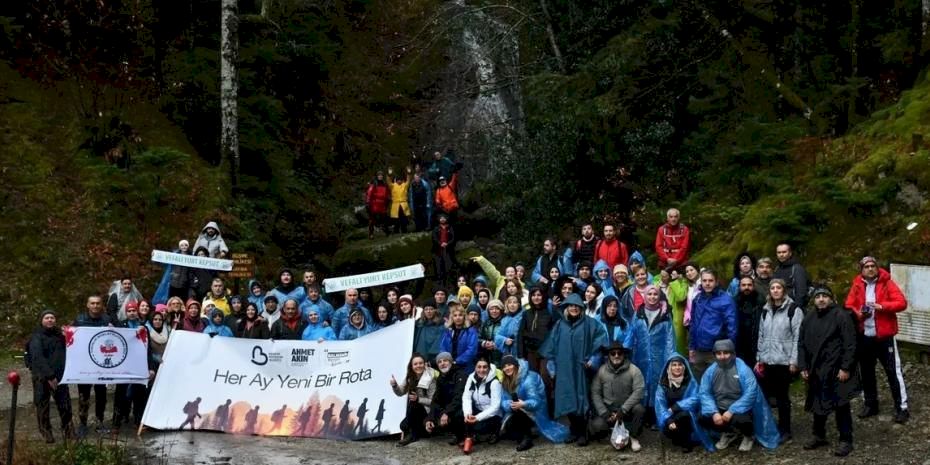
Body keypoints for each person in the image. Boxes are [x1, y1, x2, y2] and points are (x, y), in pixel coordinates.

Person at [843, 256, 909, 423]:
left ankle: (902, 407)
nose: (870, 269)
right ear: (862, 270)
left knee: (893, 371)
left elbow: (901, 303)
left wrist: (883, 306)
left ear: (877, 268)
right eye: (867, 267)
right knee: (866, 372)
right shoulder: (857, 284)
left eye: (873, 266)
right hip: (865, 336)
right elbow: (848, 305)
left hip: (885, 336)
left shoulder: (886, 282)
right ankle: (871, 404)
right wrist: (859, 313)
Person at [799, 286, 859, 457]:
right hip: (815, 369)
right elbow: (801, 343)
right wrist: (803, 366)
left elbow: (850, 343)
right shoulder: (809, 317)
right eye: (818, 296)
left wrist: (846, 367)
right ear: (814, 299)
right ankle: (819, 435)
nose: (821, 299)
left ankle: (846, 439)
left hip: (836, 368)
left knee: (841, 404)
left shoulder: (841, 316)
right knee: (818, 402)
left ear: (831, 299)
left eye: (825, 296)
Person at [541, 293, 608, 446]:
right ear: (566, 308)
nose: (573, 308)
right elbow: (551, 345)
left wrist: (592, 359)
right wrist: (552, 366)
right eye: (571, 306)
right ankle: (574, 430)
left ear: (581, 308)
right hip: (564, 369)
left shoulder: (590, 324)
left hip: (582, 369)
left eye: (576, 306)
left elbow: (600, 340)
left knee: (582, 399)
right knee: (567, 399)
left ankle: (583, 432)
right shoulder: (560, 325)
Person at [698, 339, 779, 452]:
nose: (722, 356)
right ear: (714, 354)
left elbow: (751, 393)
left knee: (742, 420)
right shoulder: (710, 372)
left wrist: (731, 410)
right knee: (703, 417)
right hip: (720, 407)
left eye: (726, 352)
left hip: (741, 409)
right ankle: (728, 433)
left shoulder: (743, 370)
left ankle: (749, 436)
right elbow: (704, 393)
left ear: (733, 353)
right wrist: (714, 412)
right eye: (719, 353)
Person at [756, 279, 802, 442]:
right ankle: (769, 427)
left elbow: (798, 337)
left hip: (784, 361)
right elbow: (761, 336)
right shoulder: (765, 310)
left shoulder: (793, 309)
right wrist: (759, 358)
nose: (775, 290)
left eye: (778, 288)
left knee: (782, 398)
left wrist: (794, 361)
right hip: (767, 360)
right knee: (767, 396)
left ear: (784, 290)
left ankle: (785, 430)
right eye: (773, 288)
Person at [499, 356, 569, 451]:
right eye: (504, 366)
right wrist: (510, 404)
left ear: (515, 365)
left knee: (517, 419)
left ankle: (527, 439)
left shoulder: (528, 379)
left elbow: (536, 402)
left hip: (534, 411)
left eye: (509, 365)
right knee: (511, 427)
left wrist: (523, 404)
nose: (507, 368)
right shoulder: (506, 381)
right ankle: (525, 434)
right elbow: (503, 400)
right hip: (517, 409)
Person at [627, 286, 676, 418]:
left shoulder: (665, 315)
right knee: (641, 384)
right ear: (645, 296)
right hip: (641, 356)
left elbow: (670, 339)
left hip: (659, 357)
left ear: (659, 296)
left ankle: (656, 413)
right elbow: (631, 334)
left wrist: (670, 359)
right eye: (649, 294)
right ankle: (643, 413)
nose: (652, 297)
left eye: (655, 294)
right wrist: (626, 351)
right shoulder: (639, 313)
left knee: (657, 384)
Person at [589, 342, 645, 452]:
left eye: (619, 353)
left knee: (640, 409)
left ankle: (633, 437)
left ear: (624, 355)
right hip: (609, 410)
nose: (616, 356)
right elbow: (595, 393)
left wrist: (623, 410)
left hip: (627, 410)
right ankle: (615, 434)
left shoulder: (634, 370)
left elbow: (639, 391)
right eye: (613, 353)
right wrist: (604, 412)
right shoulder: (601, 370)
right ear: (608, 356)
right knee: (597, 425)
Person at [29, 310, 74, 443]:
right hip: (42, 377)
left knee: (65, 404)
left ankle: (68, 430)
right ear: (42, 320)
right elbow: (38, 357)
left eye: (52, 318)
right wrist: (49, 376)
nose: (50, 320)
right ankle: (46, 432)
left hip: (60, 376)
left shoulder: (60, 335)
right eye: (47, 318)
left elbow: (72, 346)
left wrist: (69, 334)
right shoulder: (36, 337)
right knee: (42, 406)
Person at [655, 354, 714, 452]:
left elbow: (696, 398)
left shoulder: (690, 382)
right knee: (672, 429)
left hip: (688, 418)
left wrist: (677, 406)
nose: (677, 367)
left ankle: (686, 442)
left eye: (680, 365)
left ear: (684, 367)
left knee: (685, 415)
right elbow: (660, 406)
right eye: (674, 365)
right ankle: (678, 437)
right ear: (669, 367)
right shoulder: (663, 385)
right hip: (669, 419)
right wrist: (668, 419)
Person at [73, 295, 112, 435]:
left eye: (98, 303)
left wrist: (114, 329)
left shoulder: (107, 319)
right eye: (92, 303)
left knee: (101, 395)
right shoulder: (80, 319)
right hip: (84, 365)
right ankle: (82, 424)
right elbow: (72, 339)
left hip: (101, 365)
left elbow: (119, 336)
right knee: (84, 395)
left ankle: (99, 422)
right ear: (88, 305)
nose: (95, 306)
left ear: (102, 305)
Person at [688, 269, 737, 380]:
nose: (707, 283)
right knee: (699, 382)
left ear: (716, 282)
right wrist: (691, 346)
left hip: (717, 350)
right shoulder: (698, 298)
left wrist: (729, 348)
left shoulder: (726, 299)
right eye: (704, 280)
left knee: (717, 381)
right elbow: (693, 323)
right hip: (699, 349)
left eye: (710, 280)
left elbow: (732, 326)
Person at [391, 353, 438, 446]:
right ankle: (418, 432)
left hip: (428, 411)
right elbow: (400, 392)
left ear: (424, 364)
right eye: (415, 364)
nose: (418, 366)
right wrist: (395, 385)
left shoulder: (431, 377)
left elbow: (433, 401)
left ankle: (413, 436)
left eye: (420, 363)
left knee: (413, 403)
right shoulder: (410, 377)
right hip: (415, 412)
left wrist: (418, 399)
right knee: (403, 426)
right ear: (411, 366)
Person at [460, 358, 502, 454]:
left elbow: (495, 407)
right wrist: (468, 413)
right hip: (478, 410)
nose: (481, 370)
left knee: (481, 427)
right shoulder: (471, 378)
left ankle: (494, 433)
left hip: (493, 415)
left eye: (484, 367)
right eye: (479, 367)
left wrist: (477, 418)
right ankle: (469, 438)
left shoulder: (494, 382)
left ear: (488, 368)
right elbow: (466, 397)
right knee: (463, 415)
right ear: (475, 367)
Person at [427, 352, 467, 446]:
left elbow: (459, 397)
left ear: (451, 362)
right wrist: (430, 419)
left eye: (445, 360)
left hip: (461, 407)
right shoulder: (441, 378)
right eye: (439, 362)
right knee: (432, 414)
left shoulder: (460, 375)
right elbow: (435, 400)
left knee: (459, 413)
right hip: (449, 408)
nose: (442, 363)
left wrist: (446, 413)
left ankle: (462, 436)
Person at [439, 304, 479, 374]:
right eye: (455, 315)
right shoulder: (448, 331)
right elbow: (443, 348)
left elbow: (471, 350)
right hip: (449, 367)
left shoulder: (471, 331)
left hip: (465, 368)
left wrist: (456, 361)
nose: (458, 318)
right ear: (452, 317)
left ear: (464, 317)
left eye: (460, 315)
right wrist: (447, 361)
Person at [734, 277, 764, 367]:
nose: (746, 287)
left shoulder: (761, 301)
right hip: (739, 344)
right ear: (739, 287)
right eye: (743, 285)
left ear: (753, 286)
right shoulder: (734, 302)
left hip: (756, 343)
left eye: (749, 285)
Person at [773, 243, 809, 308]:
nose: (781, 255)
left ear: (790, 253)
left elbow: (801, 291)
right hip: (779, 305)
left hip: (793, 306)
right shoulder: (777, 269)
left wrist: (797, 308)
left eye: (784, 252)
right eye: (779, 252)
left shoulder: (797, 268)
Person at [432, 214, 457, 286]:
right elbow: (434, 238)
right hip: (438, 251)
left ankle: (449, 284)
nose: (442, 219)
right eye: (441, 218)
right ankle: (440, 284)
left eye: (444, 218)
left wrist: (448, 244)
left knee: (448, 267)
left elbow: (453, 238)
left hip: (448, 250)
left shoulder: (450, 228)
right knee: (439, 268)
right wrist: (440, 243)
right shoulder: (436, 228)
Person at [479, 300, 505, 365]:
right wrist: (484, 343)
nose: (494, 311)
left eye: (497, 308)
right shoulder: (486, 323)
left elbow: (510, 340)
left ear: (501, 310)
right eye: (491, 309)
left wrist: (496, 345)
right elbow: (478, 338)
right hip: (487, 357)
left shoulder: (505, 322)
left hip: (502, 357)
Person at [366, 171, 391, 239]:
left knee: (385, 218)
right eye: (379, 175)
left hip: (382, 204)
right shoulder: (374, 183)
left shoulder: (385, 184)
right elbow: (369, 193)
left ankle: (387, 232)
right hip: (375, 204)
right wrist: (368, 202)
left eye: (381, 175)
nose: (380, 176)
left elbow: (387, 193)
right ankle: (371, 234)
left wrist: (388, 200)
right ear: (377, 176)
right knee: (372, 219)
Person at [388, 167, 413, 234]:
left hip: (403, 204)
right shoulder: (393, 186)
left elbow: (408, 180)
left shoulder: (404, 185)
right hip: (396, 205)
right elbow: (388, 182)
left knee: (404, 218)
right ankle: (396, 231)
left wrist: (408, 173)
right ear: (396, 180)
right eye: (398, 180)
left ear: (402, 180)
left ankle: (404, 230)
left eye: (400, 180)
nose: (399, 181)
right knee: (396, 219)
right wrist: (389, 175)